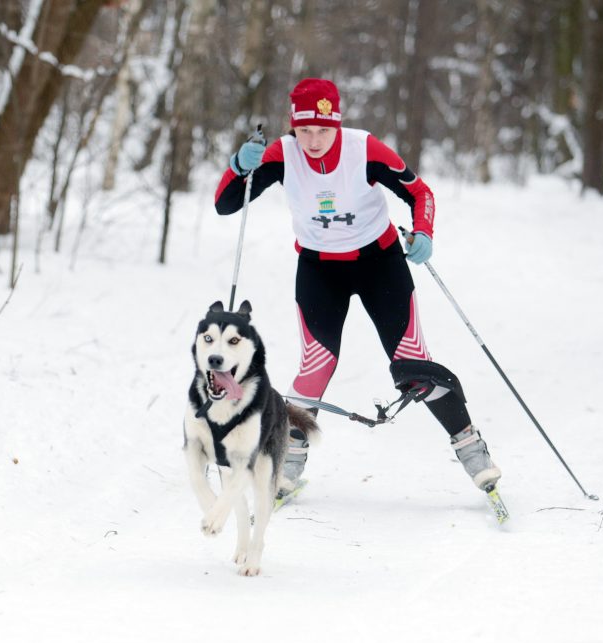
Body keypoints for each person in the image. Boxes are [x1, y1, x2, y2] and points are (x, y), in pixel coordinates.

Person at [213, 78, 501, 498]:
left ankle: (472, 449)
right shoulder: (282, 153)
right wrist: (239, 165)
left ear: (337, 124)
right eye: (304, 130)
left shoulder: (363, 148)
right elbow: (226, 204)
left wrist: (423, 232)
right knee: (316, 366)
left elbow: (419, 193)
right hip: (319, 269)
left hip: (378, 263)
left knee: (413, 364)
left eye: (323, 130)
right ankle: (288, 463)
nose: (313, 140)